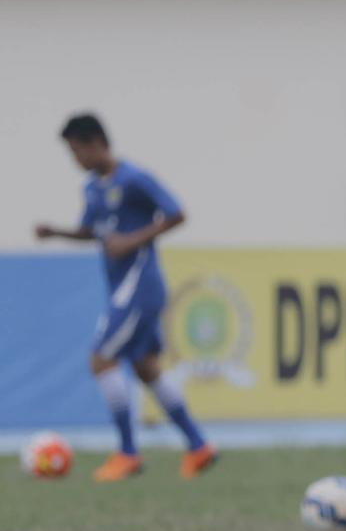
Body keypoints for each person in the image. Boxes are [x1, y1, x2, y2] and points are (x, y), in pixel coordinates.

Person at [35, 113, 216, 482]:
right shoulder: (92, 188)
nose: (75, 160)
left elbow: (177, 213)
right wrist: (58, 232)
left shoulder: (134, 178)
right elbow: (93, 233)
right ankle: (199, 446)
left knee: (101, 360)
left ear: (95, 143)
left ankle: (128, 453)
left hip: (141, 284)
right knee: (145, 368)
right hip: (122, 288)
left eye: (75, 150)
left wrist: (133, 241)